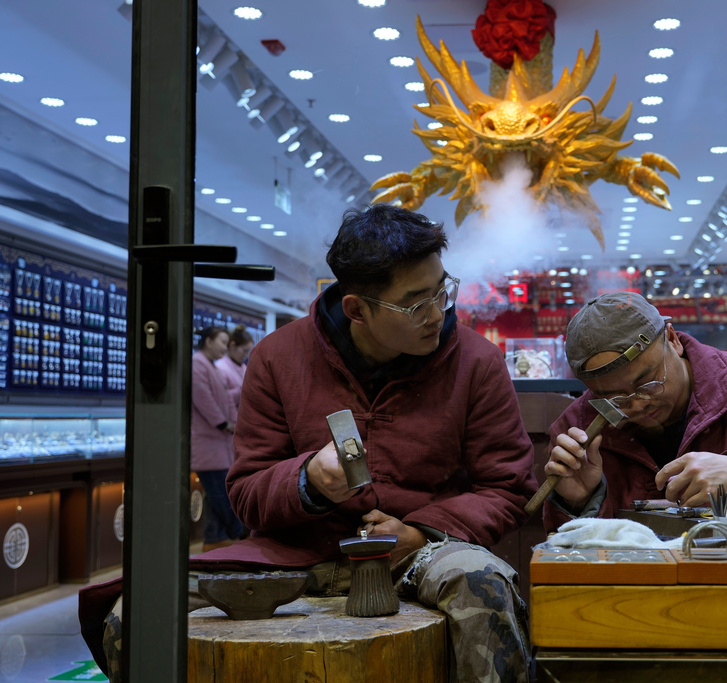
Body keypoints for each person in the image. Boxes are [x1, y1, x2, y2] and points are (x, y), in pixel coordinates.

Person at [78, 204, 538, 683]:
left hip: (419, 554)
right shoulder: (278, 358)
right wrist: (307, 483)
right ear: (357, 308)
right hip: (293, 555)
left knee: (483, 584)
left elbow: (507, 488)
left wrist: (423, 531)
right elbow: (247, 493)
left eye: (443, 289)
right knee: (138, 608)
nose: (439, 312)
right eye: (416, 303)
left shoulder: (476, 361)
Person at [542, 291, 727, 531]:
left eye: (647, 383)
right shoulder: (576, 434)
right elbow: (565, 558)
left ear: (672, 339)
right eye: (613, 399)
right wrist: (578, 504)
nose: (637, 404)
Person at [191, 325, 246, 551]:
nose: (225, 347)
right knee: (223, 499)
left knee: (217, 500)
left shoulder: (209, 366)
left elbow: (222, 399)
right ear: (208, 341)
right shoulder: (197, 364)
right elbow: (204, 399)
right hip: (209, 446)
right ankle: (234, 535)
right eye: (223, 342)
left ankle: (215, 540)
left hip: (220, 445)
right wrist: (223, 423)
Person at [215, 325, 254, 417]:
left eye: (248, 351)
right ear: (232, 345)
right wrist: (243, 390)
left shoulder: (243, 367)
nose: (246, 355)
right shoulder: (220, 367)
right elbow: (219, 398)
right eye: (244, 351)